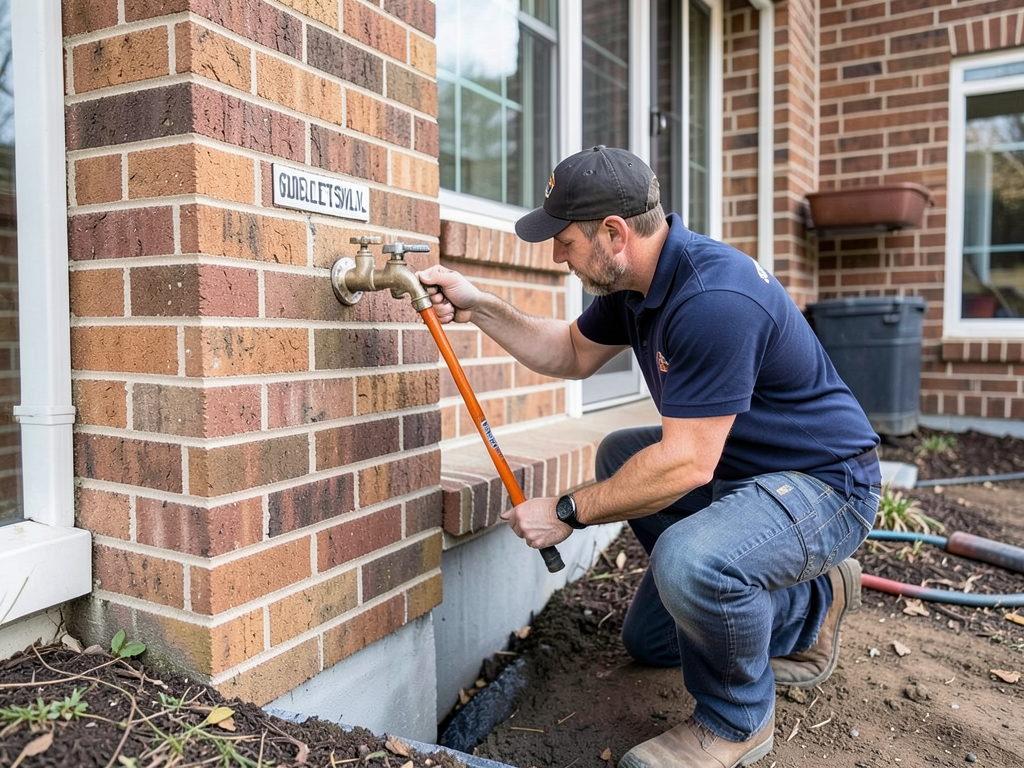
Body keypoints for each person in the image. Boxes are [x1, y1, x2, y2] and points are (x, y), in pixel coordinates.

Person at [417, 146, 881, 768]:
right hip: (747, 474)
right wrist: (479, 307)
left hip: (826, 486)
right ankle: (812, 604)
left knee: (690, 562)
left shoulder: (713, 298)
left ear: (614, 234)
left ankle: (736, 722)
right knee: (652, 633)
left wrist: (566, 511)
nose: (557, 256)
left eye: (565, 241)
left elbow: (686, 465)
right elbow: (569, 352)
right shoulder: (635, 283)